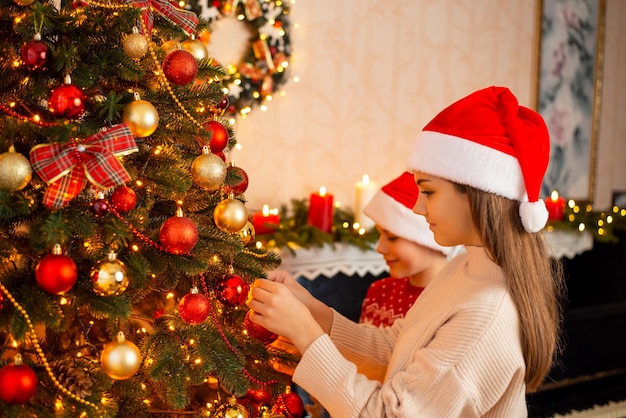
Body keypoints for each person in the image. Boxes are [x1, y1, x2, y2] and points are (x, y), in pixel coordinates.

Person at [248, 86, 564, 417]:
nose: (417, 207)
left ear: (476, 194)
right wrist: (312, 310)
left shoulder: (484, 315)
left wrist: (304, 331)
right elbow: (393, 350)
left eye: (428, 192)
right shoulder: (461, 269)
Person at [359, 171, 455, 328]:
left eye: (392, 237)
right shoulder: (380, 292)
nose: (380, 248)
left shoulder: (453, 301)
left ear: (427, 238)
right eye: (379, 235)